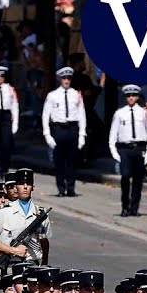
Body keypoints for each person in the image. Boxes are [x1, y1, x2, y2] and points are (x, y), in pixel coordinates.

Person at [108, 84, 147, 217]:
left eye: (133, 95)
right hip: (125, 148)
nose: (131, 98)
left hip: (139, 148)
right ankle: (125, 206)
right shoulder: (120, 113)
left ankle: (134, 208)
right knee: (125, 176)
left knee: (138, 179)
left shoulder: (144, 113)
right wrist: (113, 150)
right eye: (128, 96)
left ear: (138, 97)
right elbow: (113, 133)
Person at [42, 67, 86, 197]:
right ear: (60, 80)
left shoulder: (76, 94)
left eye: (68, 79)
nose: (66, 81)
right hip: (58, 129)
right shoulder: (52, 95)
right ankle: (61, 188)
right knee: (59, 161)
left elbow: (81, 114)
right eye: (64, 78)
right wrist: (47, 134)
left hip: (72, 128)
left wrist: (82, 134)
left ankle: (71, 188)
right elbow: (45, 115)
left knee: (72, 160)